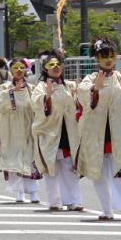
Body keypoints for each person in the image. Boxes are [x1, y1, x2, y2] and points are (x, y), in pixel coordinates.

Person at [76, 37, 121, 221]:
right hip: (97, 133)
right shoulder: (89, 80)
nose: (108, 59)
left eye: (111, 55)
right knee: (99, 174)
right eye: (103, 55)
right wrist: (94, 90)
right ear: (96, 58)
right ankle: (107, 209)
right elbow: (84, 101)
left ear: (116, 57)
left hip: (120, 133)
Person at [30, 50, 83, 211]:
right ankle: (54, 201)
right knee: (51, 169)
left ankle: (74, 201)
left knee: (68, 167)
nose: (55, 67)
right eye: (51, 65)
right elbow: (36, 105)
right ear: (45, 68)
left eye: (58, 64)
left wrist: (77, 95)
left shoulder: (69, 85)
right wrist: (46, 96)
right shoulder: (40, 87)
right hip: (49, 132)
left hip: (67, 131)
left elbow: (78, 105)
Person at [0, 57, 40, 203]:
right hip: (11, 130)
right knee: (14, 159)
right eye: (15, 68)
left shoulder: (32, 89)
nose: (19, 71)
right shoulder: (4, 88)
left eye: (21, 68)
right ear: (10, 70)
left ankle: (33, 193)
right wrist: (12, 92)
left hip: (28, 129)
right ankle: (19, 193)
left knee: (30, 159)